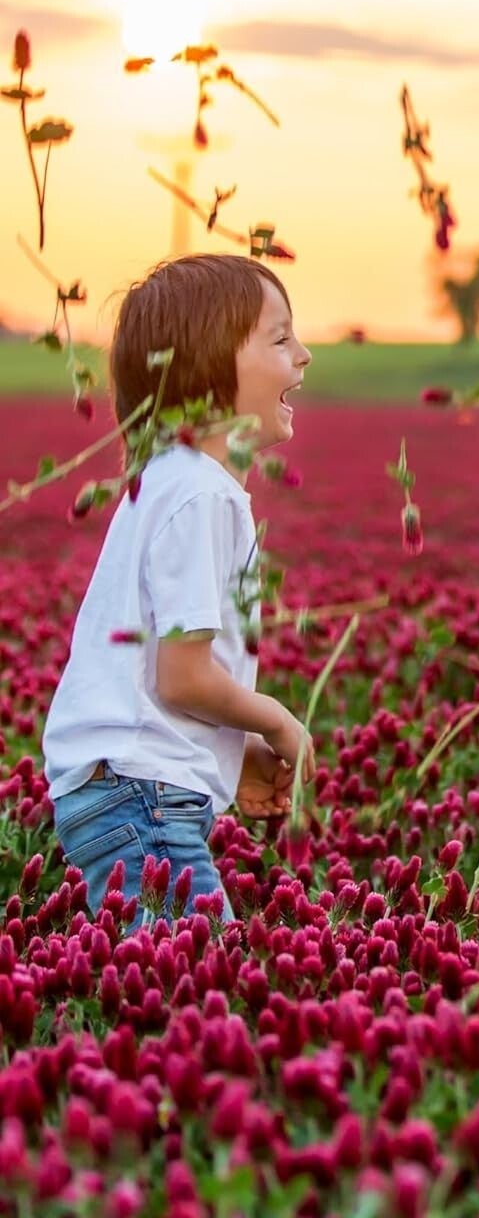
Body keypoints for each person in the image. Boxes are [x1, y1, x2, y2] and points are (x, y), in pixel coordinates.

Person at [43, 254, 314, 928]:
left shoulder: (166, 478)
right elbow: (183, 676)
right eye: (280, 340)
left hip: (122, 787)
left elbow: (163, 680)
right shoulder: (202, 493)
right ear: (209, 368)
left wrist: (229, 755)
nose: (304, 356)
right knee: (193, 996)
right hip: (142, 797)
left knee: (169, 988)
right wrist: (275, 721)